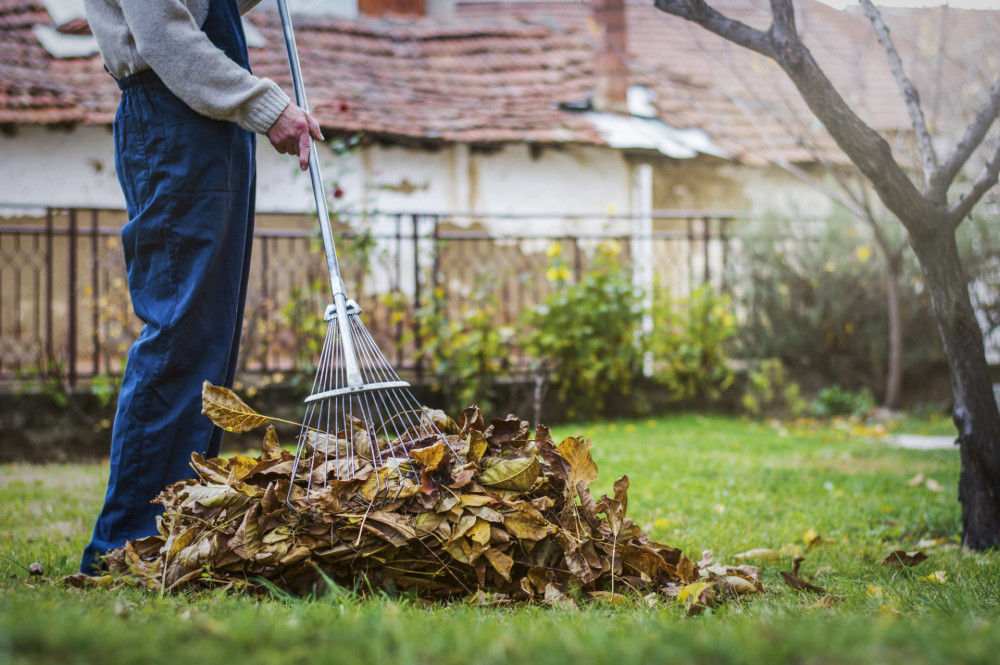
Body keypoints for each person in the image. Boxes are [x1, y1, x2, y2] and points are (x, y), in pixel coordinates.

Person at [80, 0, 321, 573]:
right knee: (180, 332)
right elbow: (164, 34)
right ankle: (127, 541)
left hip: (207, 124)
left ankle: (177, 528)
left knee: (209, 337)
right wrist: (265, 105)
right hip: (172, 116)